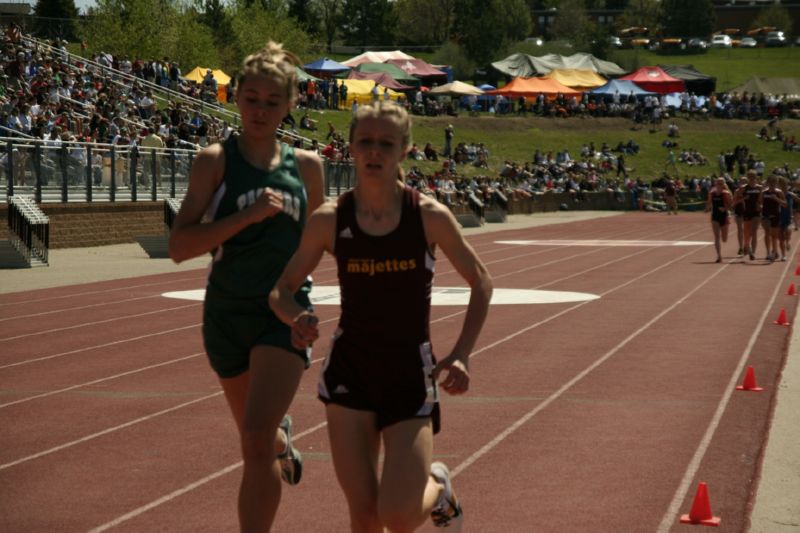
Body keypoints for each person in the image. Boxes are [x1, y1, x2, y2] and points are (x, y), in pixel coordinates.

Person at [270, 101, 493, 531]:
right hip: (349, 372)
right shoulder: (330, 219)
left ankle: (439, 487)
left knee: (398, 514)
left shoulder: (427, 216)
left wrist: (463, 353)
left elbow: (481, 281)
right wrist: (296, 317)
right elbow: (281, 290)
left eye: (386, 143)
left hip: (408, 375)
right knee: (365, 514)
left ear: (404, 150)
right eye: (366, 142)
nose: (375, 151)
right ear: (350, 148)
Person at [167, 41, 325, 531]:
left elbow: (322, 238)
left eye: (272, 102)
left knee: (253, 443)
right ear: (236, 98)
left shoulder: (307, 166)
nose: (260, 110)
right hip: (226, 316)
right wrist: (249, 215)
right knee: (257, 441)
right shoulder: (214, 160)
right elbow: (180, 246)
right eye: (251, 98)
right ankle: (282, 442)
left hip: (282, 315)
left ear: (290, 105)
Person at [760, 175, 787, 262]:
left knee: (774, 236)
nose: (772, 184)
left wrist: (776, 199)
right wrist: (760, 206)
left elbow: (785, 204)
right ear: (768, 183)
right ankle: (769, 253)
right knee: (768, 233)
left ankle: (774, 252)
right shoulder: (764, 192)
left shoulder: (779, 192)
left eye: (774, 182)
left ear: (776, 183)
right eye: (770, 182)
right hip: (765, 216)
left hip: (775, 215)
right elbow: (759, 202)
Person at [706, 177, 733, 263]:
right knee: (716, 236)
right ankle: (719, 256)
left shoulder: (726, 193)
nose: (719, 185)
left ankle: (719, 253)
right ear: (716, 184)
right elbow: (709, 203)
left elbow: (731, 206)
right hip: (715, 216)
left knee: (724, 239)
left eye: (721, 183)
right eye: (718, 183)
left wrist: (725, 209)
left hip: (724, 217)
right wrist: (707, 208)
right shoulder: (712, 193)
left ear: (724, 184)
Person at [740, 170, 762, 261]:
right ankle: (746, 245)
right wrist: (744, 198)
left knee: (754, 232)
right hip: (747, 212)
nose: (752, 179)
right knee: (747, 233)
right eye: (750, 177)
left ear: (756, 177)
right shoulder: (744, 188)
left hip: (756, 213)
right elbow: (738, 198)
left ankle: (753, 252)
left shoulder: (760, 188)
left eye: (753, 177)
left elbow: (762, 200)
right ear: (748, 178)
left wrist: (760, 205)